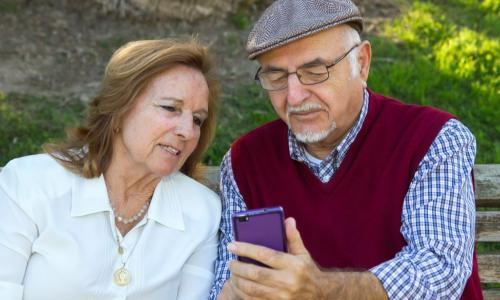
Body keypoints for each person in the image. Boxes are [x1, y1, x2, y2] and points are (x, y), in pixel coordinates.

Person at [209, 1, 483, 299]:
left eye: (315, 71)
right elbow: (228, 278)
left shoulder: (432, 140)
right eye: (276, 77)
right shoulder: (245, 162)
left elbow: (439, 272)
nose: (295, 96)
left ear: (362, 63)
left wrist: (321, 289)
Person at [0, 38, 221, 300]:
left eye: (197, 120)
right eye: (170, 108)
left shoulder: (202, 211)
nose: (187, 131)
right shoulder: (29, 185)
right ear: (119, 109)